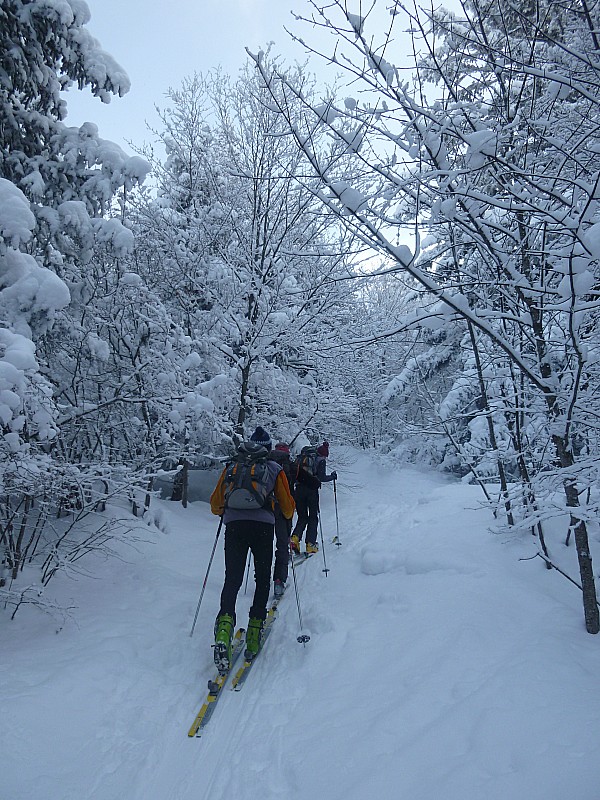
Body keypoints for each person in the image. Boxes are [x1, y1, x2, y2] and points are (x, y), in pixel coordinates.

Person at [210, 426, 295, 672]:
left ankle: (224, 630)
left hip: (234, 527)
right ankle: (255, 632)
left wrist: (230, 510)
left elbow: (216, 504)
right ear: (267, 449)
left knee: (233, 579)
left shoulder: (232, 467)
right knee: (262, 579)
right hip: (263, 529)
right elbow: (288, 507)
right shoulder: (273, 469)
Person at [291, 440, 337, 555]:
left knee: (302, 517)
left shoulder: (301, 459)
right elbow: (321, 477)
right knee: (313, 517)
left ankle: (295, 539)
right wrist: (332, 477)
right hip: (311, 491)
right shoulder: (320, 460)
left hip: (299, 490)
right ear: (324, 455)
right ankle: (310, 544)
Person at [267, 442, 298, 598]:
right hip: (284, 509)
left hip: (266, 510)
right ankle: (279, 580)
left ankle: (262, 580)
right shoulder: (291, 466)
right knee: (282, 545)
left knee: (264, 547)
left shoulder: (265, 464)